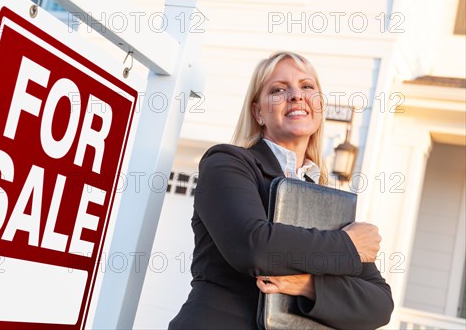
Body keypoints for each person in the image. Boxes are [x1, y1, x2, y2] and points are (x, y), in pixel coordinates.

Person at [168, 51, 393, 330]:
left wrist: (306, 285)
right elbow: (253, 246)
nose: (296, 95)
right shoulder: (228, 163)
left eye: (307, 86)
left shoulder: (326, 200)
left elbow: (379, 305)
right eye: (278, 90)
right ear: (258, 112)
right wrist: (348, 245)